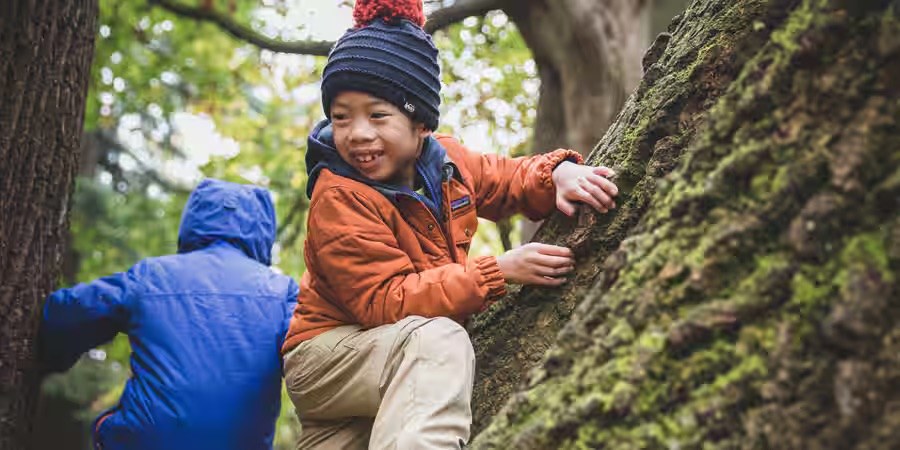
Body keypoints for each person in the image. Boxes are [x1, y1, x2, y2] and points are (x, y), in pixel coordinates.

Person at [282, 0, 620, 448]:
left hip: (384, 361)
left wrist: (555, 174)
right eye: (341, 118)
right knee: (438, 342)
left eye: (377, 115)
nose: (358, 133)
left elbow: (505, 179)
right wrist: (496, 271)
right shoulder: (339, 195)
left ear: (420, 121)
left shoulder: (445, 161)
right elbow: (386, 299)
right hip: (328, 357)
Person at [39, 179, 298, 450]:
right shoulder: (282, 293)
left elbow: (65, 315)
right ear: (263, 229)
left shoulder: (153, 276)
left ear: (194, 219)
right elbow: (313, 359)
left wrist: (51, 356)